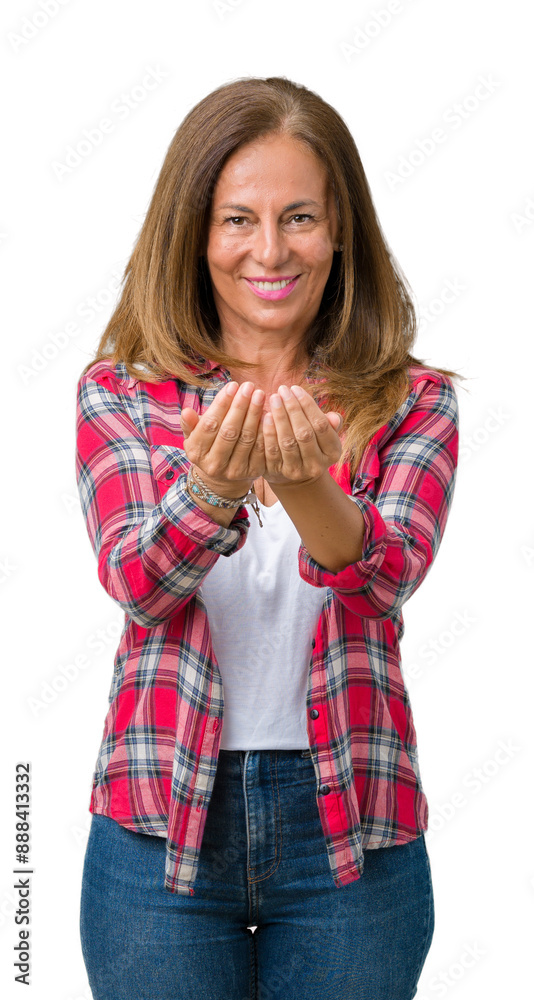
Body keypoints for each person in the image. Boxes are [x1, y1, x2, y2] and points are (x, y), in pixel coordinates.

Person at [76, 75, 462, 1000]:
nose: (270, 250)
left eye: (300, 217)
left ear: (340, 233)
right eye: (238, 220)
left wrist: (301, 481)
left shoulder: (414, 399)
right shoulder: (120, 391)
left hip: (353, 832)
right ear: (195, 233)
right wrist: (212, 486)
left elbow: (385, 577)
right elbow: (138, 585)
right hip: (159, 826)